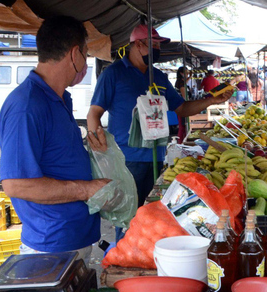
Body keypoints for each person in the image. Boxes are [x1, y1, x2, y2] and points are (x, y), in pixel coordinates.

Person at [0, 15, 110, 261]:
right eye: (86, 52)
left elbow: (56, 158)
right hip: (51, 246)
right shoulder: (26, 106)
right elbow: (15, 184)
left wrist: (95, 153)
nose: (86, 61)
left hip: (72, 238)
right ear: (74, 54)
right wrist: (86, 189)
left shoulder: (58, 98)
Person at [87, 24, 232, 209]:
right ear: (138, 45)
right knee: (128, 215)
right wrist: (101, 152)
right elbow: (94, 113)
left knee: (152, 213)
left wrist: (211, 101)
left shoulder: (159, 76)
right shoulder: (113, 74)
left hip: (156, 157)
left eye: (158, 45)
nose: (158, 49)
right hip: (127, 159)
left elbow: (181, 108)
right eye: (153, 45)